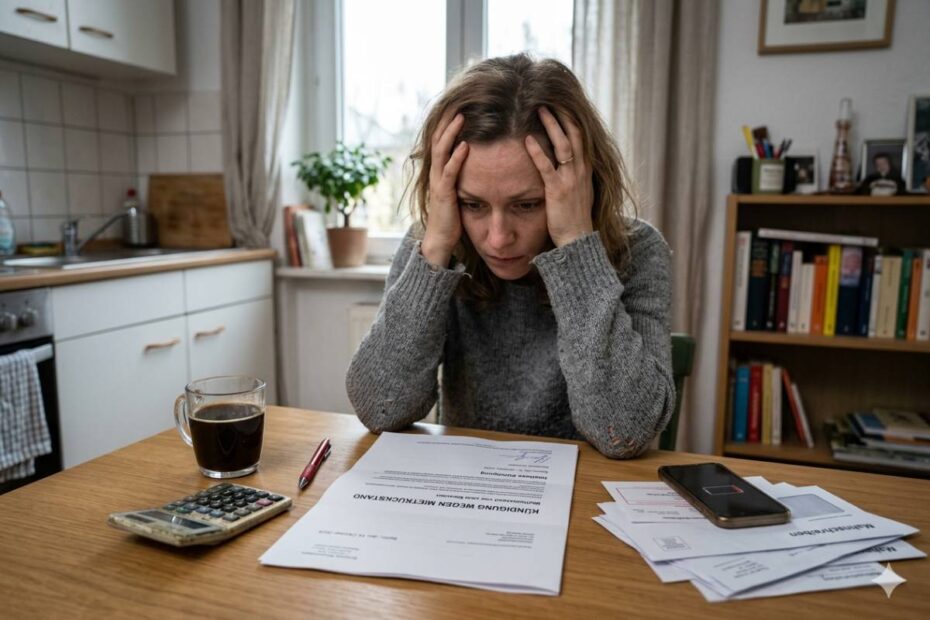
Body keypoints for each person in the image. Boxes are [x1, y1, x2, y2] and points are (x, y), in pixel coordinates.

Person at [345, 54, 675, 459]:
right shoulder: (435, 248)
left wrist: (575, 245)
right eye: (473, 204)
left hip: (585, 499)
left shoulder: (637, 251)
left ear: (581, 188)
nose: (498, 240)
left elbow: (624, 430)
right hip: (465, 494)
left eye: (527, 205)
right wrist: (434, 254)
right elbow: (379, 408)